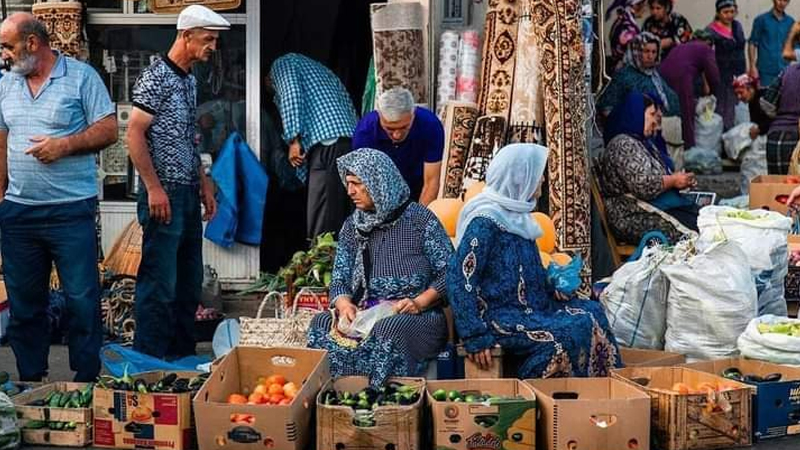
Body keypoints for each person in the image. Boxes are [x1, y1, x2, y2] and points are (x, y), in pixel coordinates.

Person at [0, 13, 117, 381]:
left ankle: (86, 382)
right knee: (24, 306)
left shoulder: (82, 77)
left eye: (8, 46)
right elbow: (1, 141)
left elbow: (109, 129)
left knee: (82, 301)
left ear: (33, 43)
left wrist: (64, 146)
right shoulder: (6, 84)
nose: (3, 54)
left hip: (71, 212)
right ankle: (30, 382)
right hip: (19, 214)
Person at [446, 143, 620, 379]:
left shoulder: (519, 217)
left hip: (534, 307)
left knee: (591, 311)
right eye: (538, 176)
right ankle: (540, 398)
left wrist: (553, 286)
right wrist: (474, 334)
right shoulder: (484, 222)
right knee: (562, 338)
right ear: (520, 178)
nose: (542, 181)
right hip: (501, 317)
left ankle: (604, 392)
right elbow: (460, 276)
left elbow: (524, 272)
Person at [127, 5, 225, 359]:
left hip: (186, 190)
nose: (213, 46)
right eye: (208, 38)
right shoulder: (155, 77)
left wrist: (205, 182)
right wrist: (153, 187)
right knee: (159, 282)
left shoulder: (189, 80)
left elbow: (190, 137)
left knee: (188, 281)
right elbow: (134, 134)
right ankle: (148, 360)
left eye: (215, 40)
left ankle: (182, 359)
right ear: (186, 36)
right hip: (162, 192)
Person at [307, 149, 452, 387]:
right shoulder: (353, 225)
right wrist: (345, 306)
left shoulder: (419, 219)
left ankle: (378, 402)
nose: (350, 191)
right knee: (321, 323)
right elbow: (340, 277)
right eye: (348, 183)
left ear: (378, 181)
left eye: (357, 184)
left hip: (416, 315)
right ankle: (335, 399)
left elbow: (450, 271)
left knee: (387, 329)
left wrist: (419, 302)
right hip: (365, 314)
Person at [268, 53, 358, 240]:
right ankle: (334, 262)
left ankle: (321, 262)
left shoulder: (283, 63)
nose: (274, 95)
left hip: (329, 143)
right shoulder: (317, 70)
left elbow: (291, 95)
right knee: (339, 212)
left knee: (321, 214)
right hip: (345, 141)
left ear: (266, 79)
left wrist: (293, 140)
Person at [599, 92, 699, 244]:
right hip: (631, 215)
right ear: (636, 114)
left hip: (645, 209)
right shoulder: (623, 144)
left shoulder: (641, 142)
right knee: (692, 235)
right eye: (652, 114)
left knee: (703, 220)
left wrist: (679, 181)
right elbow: (644, 185)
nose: (655, 120)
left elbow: (656, 175)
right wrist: (673, 181)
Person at [352, 88, 444, 205]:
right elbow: (366, 185)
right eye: (390, 129)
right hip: (382, 190)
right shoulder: (365, 132)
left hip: (418, 188)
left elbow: (431, 181)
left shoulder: (430, 125)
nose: (397, 135)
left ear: (413, 114)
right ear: (379, 116)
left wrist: (420, 219)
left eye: (404, 127)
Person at [661, 29, 721, 148]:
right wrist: (714, 94)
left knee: (670, 111)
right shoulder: (706, 49)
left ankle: (671, 143)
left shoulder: (683, 47)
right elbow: (714, 76)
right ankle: (689, 148)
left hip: (663, 77)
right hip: (681, 77)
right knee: (687, 111)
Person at [597, 32, 680, 117]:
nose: (650, 56)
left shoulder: (655, 75)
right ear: (636, 52)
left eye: (654, 52)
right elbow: (606, 107)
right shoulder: (624, 76)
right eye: (646, 51)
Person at [707, 0, 747, 130]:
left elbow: (741, 49)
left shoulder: (737, 26)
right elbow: (706, 56)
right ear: (718, 13)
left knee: (739, 109)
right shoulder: (711, 31)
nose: (729, 15)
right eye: (725, 12)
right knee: (723, 111)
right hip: (722, 77)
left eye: (732, 12)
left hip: (739, 75)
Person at [761, 62, 800, 174]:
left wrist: (781, 116)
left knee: (778, 188)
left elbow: (766, 102)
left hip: (777, 138)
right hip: (797, 140)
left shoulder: (788, 71)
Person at [749, 0, 794, 87]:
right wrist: (752, 66)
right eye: (779, 0)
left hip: (784, 72)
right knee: (764, 99)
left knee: (783, 99)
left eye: (785, 0)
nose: (782, 3)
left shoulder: (790, 22)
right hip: (765, 72)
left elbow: (794, 45)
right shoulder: (761, 20)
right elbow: (752, 43)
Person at [607, 0, 647, 72]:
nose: (645, 9)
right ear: (635, 6)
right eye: (644, 5)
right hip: (624, 72)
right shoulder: (629, 29)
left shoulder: (621, 21)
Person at [732, 74, 771, 140]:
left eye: (741, 93)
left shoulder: (765, 98)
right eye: (736, 94)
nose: (739, 97)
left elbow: (775, 119)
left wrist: (759, 129)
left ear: (750, 89)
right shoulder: (752, 102)